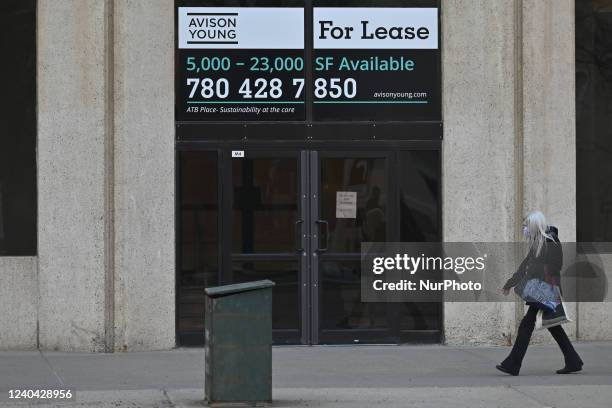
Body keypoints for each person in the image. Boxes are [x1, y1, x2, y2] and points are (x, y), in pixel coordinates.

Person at [496, 211, 583, 376]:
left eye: (526, 226)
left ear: (535, 226)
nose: (525, 229)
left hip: (545, 290)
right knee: (553, 327)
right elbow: (525, 266)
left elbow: (555, 267)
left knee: (526, 325)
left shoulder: (550, 242)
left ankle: (513, 365)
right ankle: (573, 361)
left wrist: (538, 278)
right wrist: (510, 284)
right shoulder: (538, 242)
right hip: (540, 290)